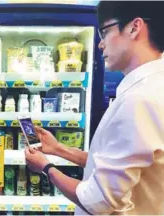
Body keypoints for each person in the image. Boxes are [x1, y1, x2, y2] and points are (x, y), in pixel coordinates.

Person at [25, 1, 164, 215]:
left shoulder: (139, 100)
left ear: (134, 27)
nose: (100, 44)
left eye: (105, 31)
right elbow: (114, 163)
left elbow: (97, 201)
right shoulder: (151, 88)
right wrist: (58, 149)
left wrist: (45, 167)